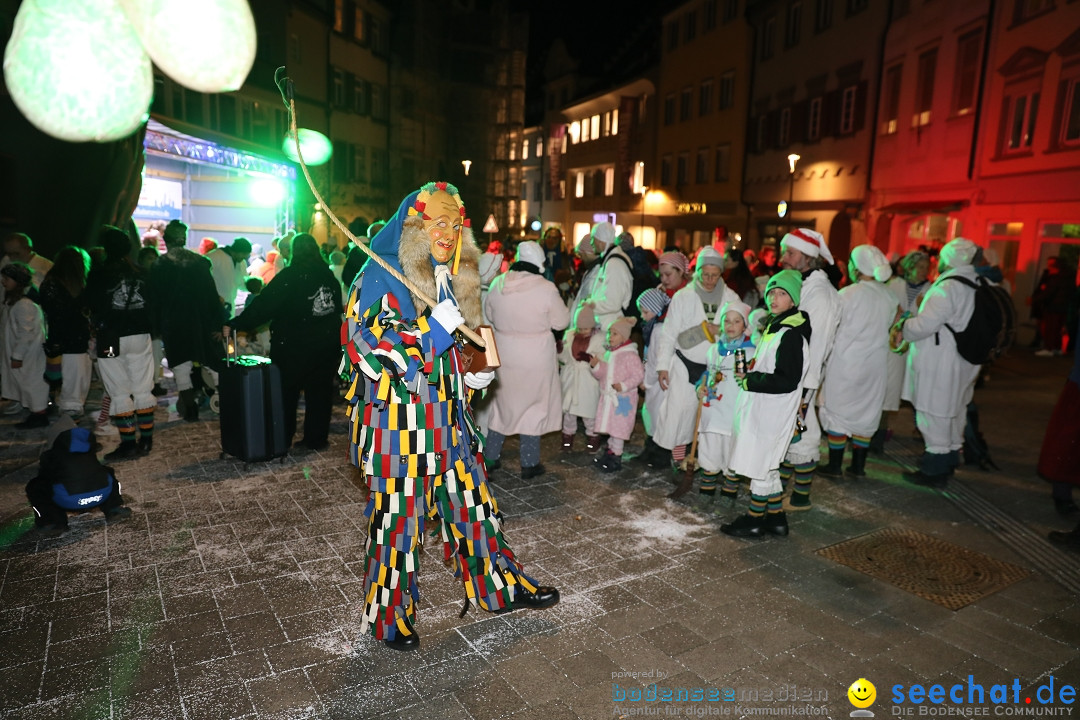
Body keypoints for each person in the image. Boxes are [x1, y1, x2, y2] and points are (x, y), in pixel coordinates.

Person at [342, 181, 559, 651]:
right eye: (439, 221)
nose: (449, 231)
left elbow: (453, 346)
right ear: (414, 227)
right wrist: (435, 330)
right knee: (398, 519)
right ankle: (386, 615)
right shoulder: (378, 276)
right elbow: (371, 354)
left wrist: (471, 372)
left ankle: (497, 588)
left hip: (448, 422)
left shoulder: (445, 275)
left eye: (456, 223)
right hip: (396, 426)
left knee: (475, 508)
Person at [226, 234, 342, 452]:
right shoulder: (327, 276)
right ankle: (316, 438)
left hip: (295, 345)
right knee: (320, 393)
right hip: (326, 344)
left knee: (287, 393)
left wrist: (238, 323)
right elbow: (335, 308)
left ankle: (282, 437)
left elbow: (265, 305)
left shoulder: (291, 276)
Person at [721, 269, 810, 538]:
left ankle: (754, 519)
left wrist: (751, 380)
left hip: (772, 412)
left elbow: (787, 379)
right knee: (768, 465)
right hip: (763, 409)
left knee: (760, 464)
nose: (774, 298)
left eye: (782, 293)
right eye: (771, 292)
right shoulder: (778, 325)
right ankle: (776, 518)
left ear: (793, 300)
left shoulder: (792, 333)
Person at [894, 237, 984, 487]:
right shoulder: (976, 281)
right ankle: (951, 457)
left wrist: (905, 326)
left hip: (941, 360)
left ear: (949, 259)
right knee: (955, 409)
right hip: (965, 359)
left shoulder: (948, 287)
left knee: (933, 411)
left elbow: (924, 325)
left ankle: (934, 469)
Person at [481, 240, 570, 476]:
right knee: (534, 407)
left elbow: (489, 314)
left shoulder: (498, 283)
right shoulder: (546, 288)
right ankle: (529, 463)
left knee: (501, 406)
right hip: (535, 355)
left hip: (504, 352)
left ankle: (490, 458)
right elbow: (562, 321)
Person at [652, 246, 739, 470]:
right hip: (684, 363)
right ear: (698, 272)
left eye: (715, 275)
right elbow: (669, 333)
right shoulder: (684, 296)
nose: (710, 279)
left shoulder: (731, 298)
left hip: (714, 368)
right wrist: (663, 366)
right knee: (680, 413)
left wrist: (720, 330)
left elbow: (740, 328)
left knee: (707, 417)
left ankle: (705, 460)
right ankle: (679, 459)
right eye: (705, 274)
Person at [817, 245, 900, 478]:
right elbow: (897, 323)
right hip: (875, 365)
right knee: (867, 412)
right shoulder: (889, 296)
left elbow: (830, 326)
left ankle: (834, 465)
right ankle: (858, 466)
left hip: (845, 363)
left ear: (856, 267)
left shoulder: (847, 294)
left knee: (837, 412)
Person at [777, 229, 841, 512]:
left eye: (790, 253)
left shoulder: (821, 294)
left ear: (808, 257)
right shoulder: (804, 286)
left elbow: (817, 344)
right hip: (793, 373)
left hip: (802, 375)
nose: (783, 259)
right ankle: (780, 489)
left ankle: (801, 497)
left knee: (805, 430)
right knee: (791, 431)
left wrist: (804, 385)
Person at [86, 227, 157, 459]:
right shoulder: (143, 272)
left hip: (110, 338)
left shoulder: (99, 273)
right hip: (140, 335)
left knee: (118, 390)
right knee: (142, 387)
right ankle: (146, 440)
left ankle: (128, 444)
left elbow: (91, 303)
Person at [149, 219, 223, 422]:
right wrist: (218, 322)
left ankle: (190, 409)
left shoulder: (159, 265)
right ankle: (226, 402)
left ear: (166, 239)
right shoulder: (199, 262)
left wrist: (155, 326)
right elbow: (211, 295)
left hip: (174, 323)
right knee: (212, 362)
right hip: (202, 320)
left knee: (181, 365)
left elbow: (155, 299)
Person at [25, 416, 131, 537]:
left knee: (36, 486)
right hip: (100, 495)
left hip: (71, 500)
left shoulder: (51, 455)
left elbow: (45, 476)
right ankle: (114, 508)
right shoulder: (88, 448)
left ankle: (53, 522)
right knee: (107, 472)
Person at [696, 301, 755, 499]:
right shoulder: (713, 350)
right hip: (711, 415)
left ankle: (728, 496)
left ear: (745, 325)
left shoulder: (751, 353)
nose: (731, 325)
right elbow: (706, 374)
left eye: (737, 321)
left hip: (732, 417)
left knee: (732, 459)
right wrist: (700, 387)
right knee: (709, 457)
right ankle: (706, 492)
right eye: (727, 321)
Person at [637, 251, 690, 465]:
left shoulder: (687, 296)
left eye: (669, 274)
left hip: (678, 361)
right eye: (662, 274)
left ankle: (663, 452)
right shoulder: (660, 294)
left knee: (668, 408)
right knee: (653, 406)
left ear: (681, 272)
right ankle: (651, 447)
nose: (665, 279)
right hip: (659, 356)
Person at [880, 250, 932, 449]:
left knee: (917, 390)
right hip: (893, 346)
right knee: (889, 389)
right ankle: (881, 429)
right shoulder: (894, 285)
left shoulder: (931, 289)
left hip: (917, 348)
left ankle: (923, 430)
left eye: (927, 268)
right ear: (910, 267)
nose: (924, 271)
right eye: (920, 267)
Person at [39, 247, 93, 419]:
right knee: (77, 385)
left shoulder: (50, 283)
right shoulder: (82, 286)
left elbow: (53, 313)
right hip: (79, 341)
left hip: (61, 341)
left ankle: (68, 427)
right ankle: (70, 431)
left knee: (67, 386)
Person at [589, 316, 645, 472]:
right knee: (611, 427)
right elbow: (603, 374)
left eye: (614, 334)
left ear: (624, 336)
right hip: (609, 398)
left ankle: (615, 458)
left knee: (619, 429)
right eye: (609, 333)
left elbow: (638, 375)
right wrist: (596, 367)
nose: (610, 337)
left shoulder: (630, 355)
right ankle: (609, 453)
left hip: (622, 400)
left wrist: (623, 386)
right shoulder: (610, 354)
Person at [1, 263, 50, 428]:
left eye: (7, 279)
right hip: (26, 353)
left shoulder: (24, 304)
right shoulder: (16, 302)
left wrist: (17, 355)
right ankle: (37, 411)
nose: (3, 282)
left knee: (32, 382)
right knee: (27, 381)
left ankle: (39, 415)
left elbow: (26, 333)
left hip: (29, 354)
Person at [559, 303, 604, 452]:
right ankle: (567, 437)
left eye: (586, 328)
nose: (583, 331)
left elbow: (603, 359)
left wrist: (591, 359)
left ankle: (593, 437)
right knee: (569, 412)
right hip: (571, 379)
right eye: (580, 328)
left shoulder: (600, 338)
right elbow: (566, 358)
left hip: (588, 380)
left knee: (589, 412)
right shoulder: (571, 334)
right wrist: (560, 351)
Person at [584, 221, 633, 330]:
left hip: (610, 328)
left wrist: (589, 305)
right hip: (608, 326)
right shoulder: (611, 260)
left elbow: (613, 303)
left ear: (601, 242)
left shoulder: (614, 264)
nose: (591, 243)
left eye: (593, 239)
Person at [1032, 257, 1075, 357]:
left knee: (1050, 328)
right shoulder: (1067, 277)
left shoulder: (1055, 278)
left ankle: (1049, 348)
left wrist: (1035, 299)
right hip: (1062, 307)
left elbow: (1049, 292)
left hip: (1053, 307)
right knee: (1057, 329)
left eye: (1050, 264)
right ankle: (1056, 348)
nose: (1048, 267)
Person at [207, 237, 252, 318]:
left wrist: (251, 285)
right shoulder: (214, 256)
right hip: (212, 305)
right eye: (244, 255)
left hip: (229, 306)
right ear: (238, 251)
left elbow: (241, 283)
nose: (244, 258)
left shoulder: (241, 262)